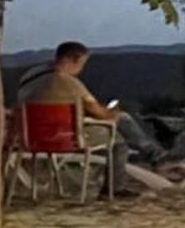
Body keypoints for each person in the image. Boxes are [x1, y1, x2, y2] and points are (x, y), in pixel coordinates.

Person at [16, 42, 161, 185]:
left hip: (30, 136)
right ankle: (123, 180)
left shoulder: (30, 76)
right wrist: (113, 113)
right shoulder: (69, 83)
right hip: (64, 137)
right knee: (119, 137)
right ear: (75, 60)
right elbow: (101, 114)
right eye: (82, 65)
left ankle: (153, 153)